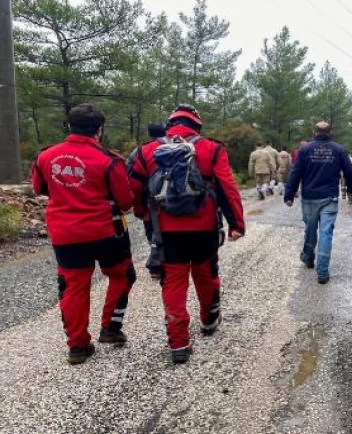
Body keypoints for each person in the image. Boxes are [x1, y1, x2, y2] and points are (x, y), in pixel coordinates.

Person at [128, 104, 246, 364]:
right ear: (197, 126)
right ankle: (209, 320)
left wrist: (141, 212)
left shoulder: (147, 151)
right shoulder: (212, 149)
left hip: (166, 232)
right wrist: (237, 223)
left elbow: (134, 187)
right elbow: (227, 187)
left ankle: (179, 341)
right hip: (204, 228)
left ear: (170, 125)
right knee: (206, 275)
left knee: (173, 283)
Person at [31, 104, 135, 364]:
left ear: (69, 126)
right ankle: (110, 328)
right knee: (123, 274)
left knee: (74, 285)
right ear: (100, 130)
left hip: (65, 233)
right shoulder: (110, 160)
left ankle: (77, 346)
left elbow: (38, 188)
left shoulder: (45, 157)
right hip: (106, 232)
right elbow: (126, 203)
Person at [284, 121, 352, 284]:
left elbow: (295, 173)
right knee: (326, 232)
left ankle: (309, 257)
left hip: (309, 197)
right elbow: (350, 172)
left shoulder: (304, 149)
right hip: (329, 197)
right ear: (330, 132)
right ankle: (322, 272)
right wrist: (351, 189)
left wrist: (289, 195)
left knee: (310, 229)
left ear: (314, 132)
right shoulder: (339, 149)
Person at [127, 122, 166, 280]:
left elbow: (131, 179)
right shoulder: (176, 145)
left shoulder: (140, 151)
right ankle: (168, 262)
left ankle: (156, 265)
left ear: (149, 133)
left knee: (152, 232)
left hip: (150, 200)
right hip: (174, 199)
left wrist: (139, 209)